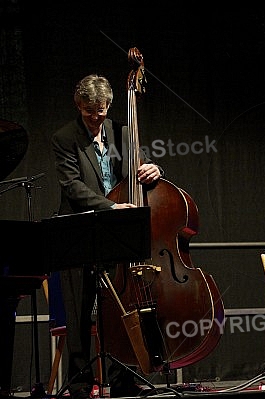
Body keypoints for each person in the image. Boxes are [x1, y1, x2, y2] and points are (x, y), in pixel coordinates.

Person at [51, 74, 163, 399]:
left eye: (100, 111)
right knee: (79, 314)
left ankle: (124, 381)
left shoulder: (121, 131)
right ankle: (81, 387)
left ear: (108, 105)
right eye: (89, 112)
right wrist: (111, 208)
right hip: (79, 232)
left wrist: (155, 170)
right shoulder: (64, 138)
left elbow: (137, 171)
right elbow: (72, 185)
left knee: (118, 310)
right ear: (79, 106)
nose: (96, 118)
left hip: (116, 236)